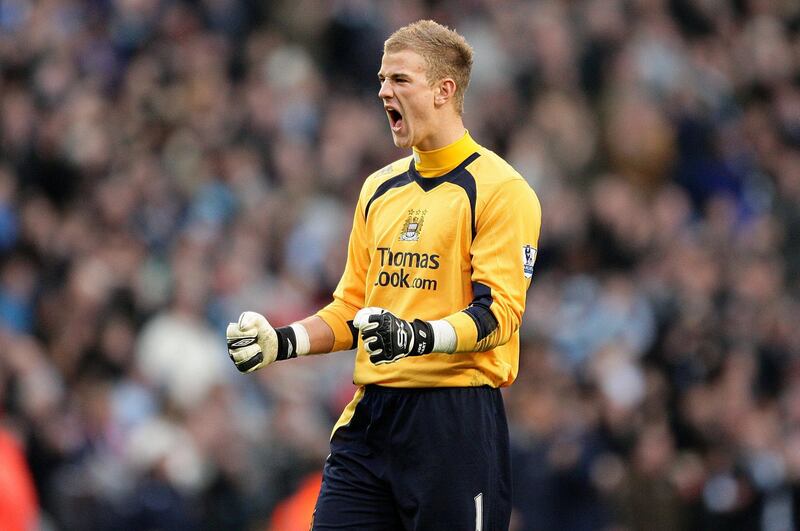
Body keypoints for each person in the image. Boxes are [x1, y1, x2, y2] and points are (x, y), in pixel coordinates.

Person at [227, 19, 541, 530]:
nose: (382, 91)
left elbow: (499, 316)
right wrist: (281, 342)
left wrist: (418, 336)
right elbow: (352, 309)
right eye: (380, 79)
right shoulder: (379, 188)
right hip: (372, 417)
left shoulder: (503, 189)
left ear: (444, 91)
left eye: (399, 79)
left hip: (454, 423)